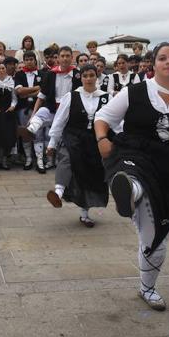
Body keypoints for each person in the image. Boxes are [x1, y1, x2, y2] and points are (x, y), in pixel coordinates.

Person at [94, 42, 169, 311]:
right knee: (134, 177)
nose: (168, 62)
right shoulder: (133, 92)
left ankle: (147, 286)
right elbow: (103, 116)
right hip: (134, 156)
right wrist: (101, 138)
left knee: (157, 237)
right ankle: (130, 190)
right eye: (162, 58)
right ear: (153, 63)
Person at [46, 64, 110, 227]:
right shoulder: (71, 96)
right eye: (85, 76)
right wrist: (52, 143)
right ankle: (58, 193)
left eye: (91, 75)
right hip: (73, 136)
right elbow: (59, 120)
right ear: (80, 78)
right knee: (66, 157)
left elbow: (115, 121)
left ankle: (84, 214)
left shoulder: (105, 97)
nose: (88, 79)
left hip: (94, 140)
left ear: (97, 77)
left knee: (89, 175)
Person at [18, 46, 81, 173]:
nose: (65, 59)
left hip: (69, 112)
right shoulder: (51, 74)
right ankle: (30, 130)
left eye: (67, 56)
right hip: (52, 108)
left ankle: (59, 161)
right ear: (58, 57)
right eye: (62, 56)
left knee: (59, 135)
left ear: (71, 57)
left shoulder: (77, 75)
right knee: (41, 113)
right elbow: (41, 97)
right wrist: (32, 116)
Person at [14, 51, 42, 170]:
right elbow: (19, 92)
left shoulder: (42, 73)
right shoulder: (19, 74)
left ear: (35, 60)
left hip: (38, 108)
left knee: (38, 133)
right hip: (23, 108)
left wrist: (28, 92)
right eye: (27, 59)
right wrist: (36, 88)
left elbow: (44, 90)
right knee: (25, 133)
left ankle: (40, 160)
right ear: (24, 61)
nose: (29, 61)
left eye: (31, 59)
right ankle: (28, 159)